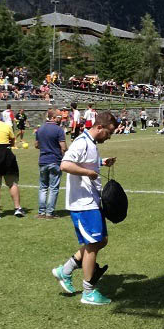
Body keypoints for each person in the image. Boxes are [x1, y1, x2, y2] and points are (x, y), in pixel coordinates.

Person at [53, 111, 118, 305]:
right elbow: (64, 165)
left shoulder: (90, 144)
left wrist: (100, 162)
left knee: (101, 240)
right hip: (82, 203)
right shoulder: (81, 142)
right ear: (100, 127)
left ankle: (64, 270)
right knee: (92, 246)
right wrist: (88, 172)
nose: (110, 136)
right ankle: (88, 292)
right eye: (109, 132)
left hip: (91, 201)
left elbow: (84, 161)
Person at [36, 108, 68, 219]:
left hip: (43, 160)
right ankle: (50, 213)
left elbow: (36, 145)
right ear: (53, 118)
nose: (61, 119)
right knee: (53, 188)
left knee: (43, 187)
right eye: (59, 117)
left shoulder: (40, 129)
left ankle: (41, 212)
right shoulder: (59, 130)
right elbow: (63, 147)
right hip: (55, 160)